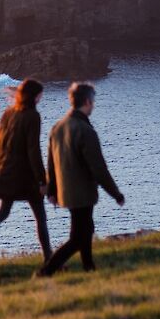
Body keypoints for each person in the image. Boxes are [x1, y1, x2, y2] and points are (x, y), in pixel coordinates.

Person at [38, 81, 124, 276]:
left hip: (66, 191)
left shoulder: (58, 126)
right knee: (78, 237)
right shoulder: (86, 131)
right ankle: (46, 271)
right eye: (93, 102)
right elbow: (99, 168)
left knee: (85, 229)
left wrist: (52, 190)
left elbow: (50, 162)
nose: (93, 105)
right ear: (87, 101)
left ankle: (88, 267)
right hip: (82, 191)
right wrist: (116, 193)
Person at [0, 78, 52, 262]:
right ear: (34, 96)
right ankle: (49, 259)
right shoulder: (32, 115)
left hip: (4, 172)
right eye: (40, 94)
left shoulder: (8, 113)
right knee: (40, 217)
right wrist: (42, 181)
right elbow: (33, 150)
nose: (41, 97)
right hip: (24, 177)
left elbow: (0, 145)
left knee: (3, 212)